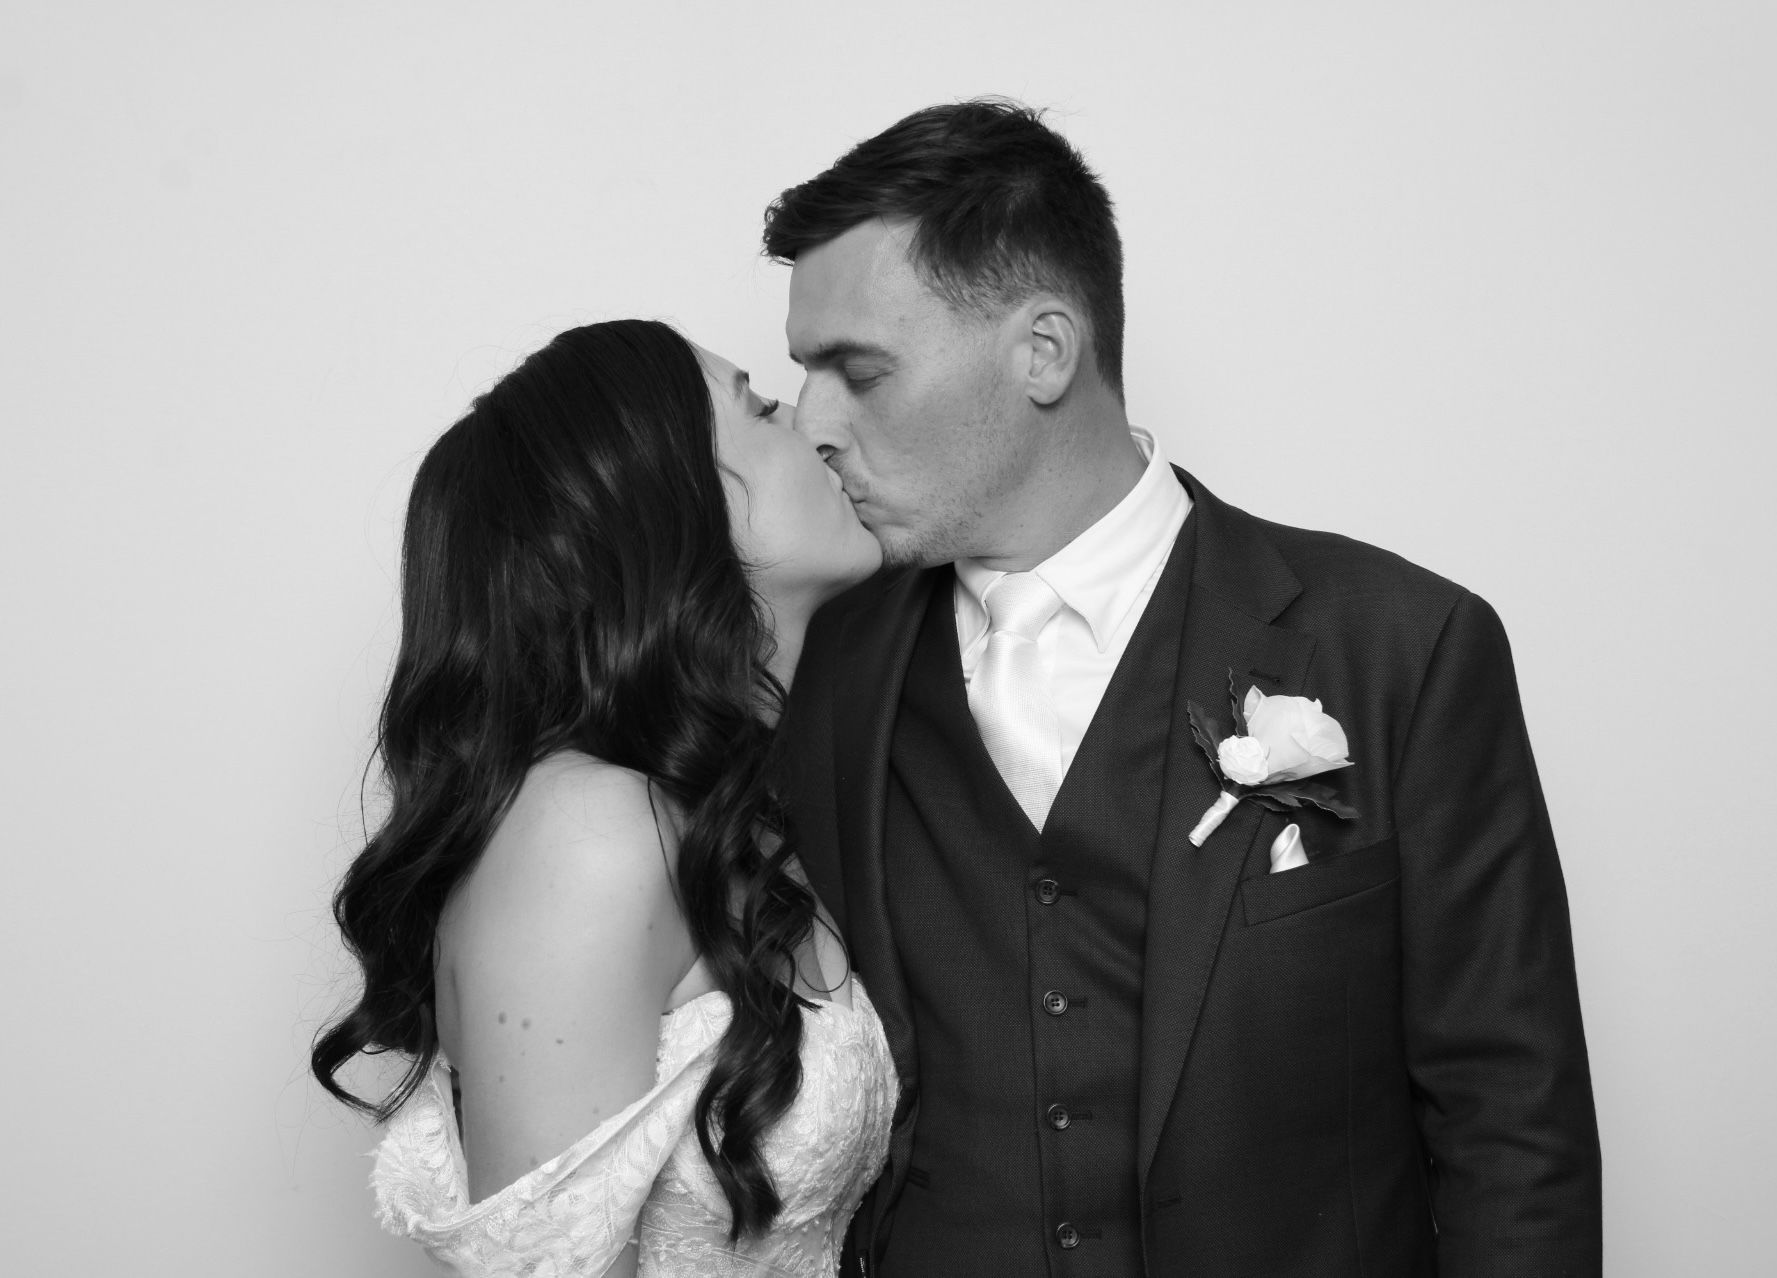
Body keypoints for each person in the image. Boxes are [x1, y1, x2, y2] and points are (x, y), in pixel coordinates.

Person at [767, 100, 1602, 1275]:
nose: (813, 424)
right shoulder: (823, 667)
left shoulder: (1399, 644)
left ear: (1043, 352)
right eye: (801, 377)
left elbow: (1511, 1121)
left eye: (857, 371)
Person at [311, 319, 896, 1277]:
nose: (816, 426)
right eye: (761, 407)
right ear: (668, 503)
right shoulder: (588, 836)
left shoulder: (727, 813)